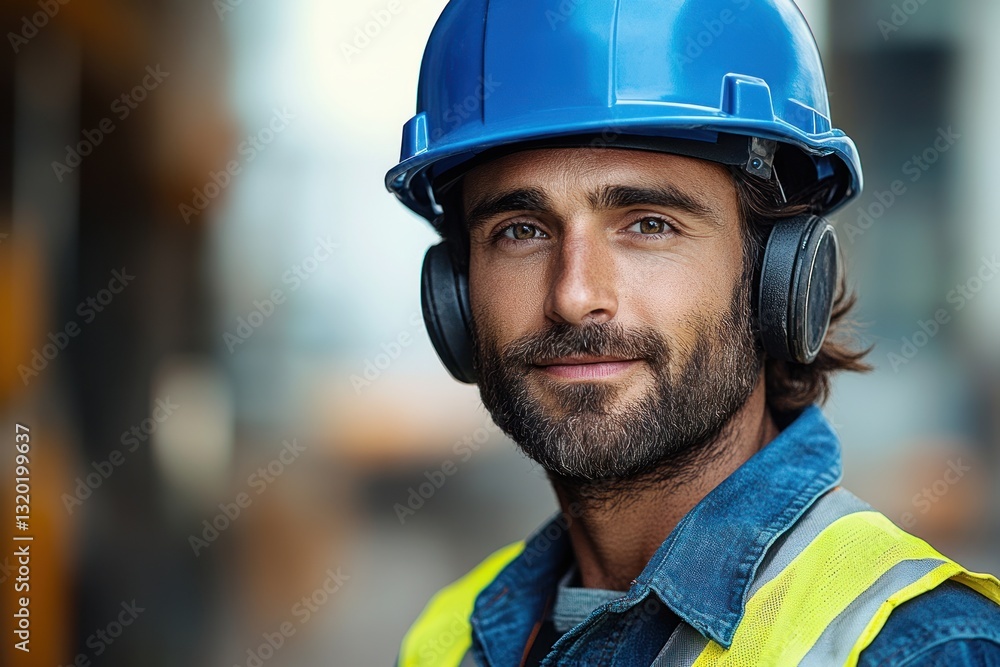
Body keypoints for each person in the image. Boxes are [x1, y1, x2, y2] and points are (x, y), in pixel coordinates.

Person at [385, 1, 1000, 665]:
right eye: (521, 231)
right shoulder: (450, 638)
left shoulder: (913, 647)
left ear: (781, 277)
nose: (574, 295)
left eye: (649, 223)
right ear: (456, 296)